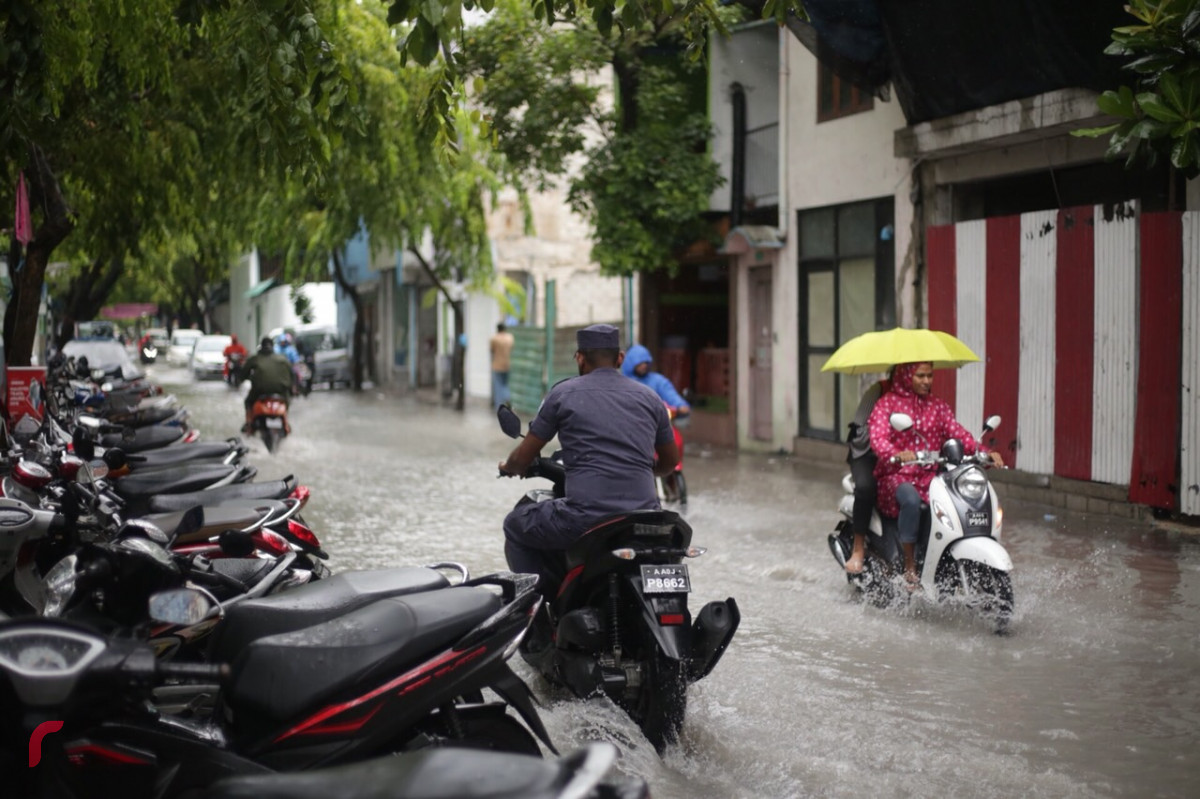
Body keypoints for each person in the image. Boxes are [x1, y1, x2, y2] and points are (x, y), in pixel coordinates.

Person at [498, 324, 680, 595]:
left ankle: (539, 609)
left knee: (514, 524)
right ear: (620, 358)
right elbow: (669, 463)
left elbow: (523, 455)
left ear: (580, 358)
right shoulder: (651, 399)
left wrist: (510, 467)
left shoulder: (562, 395)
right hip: (646, 519)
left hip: (585, 519)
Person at [867, 361, 1004, 589]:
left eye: (929, 376)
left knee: (954, 502)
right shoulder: (887, 404)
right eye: (920, 375)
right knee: (910, 501)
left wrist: (985, 453)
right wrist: (898, 454)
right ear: (906, 375)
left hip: (930, 476)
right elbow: (878, 439)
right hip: (896, 475)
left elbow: (959, 434)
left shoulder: (937, 407)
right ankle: (910, 567)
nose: (926, 381)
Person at [843, 373, 890, 575]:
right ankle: (858, 547)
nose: (924, 380)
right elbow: (858, 428)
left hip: (904, 458)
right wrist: (882, 439)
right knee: (866, 487)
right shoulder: (878, 391)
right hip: (866, 453)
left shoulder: (924, 399)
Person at [240, 337, 294, 433]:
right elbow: (292, 375)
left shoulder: (255, 358)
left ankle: (248, 425)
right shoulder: (282, 359)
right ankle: (286, 424)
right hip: (281, 392)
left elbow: (243, 374)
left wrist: (245, 378)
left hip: (260, 391)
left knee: (248, 402)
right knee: (287, 401)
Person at [620, 344, 690, 414]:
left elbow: (670, 395)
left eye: (646, 362)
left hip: (655, 421)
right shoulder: (622, 382)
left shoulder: (658, 381)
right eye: (640, 363)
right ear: (631, 363)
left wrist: (680, 406)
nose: (644, 366)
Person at [489, 322, 515, 408]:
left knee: (498, 386)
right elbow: (512, 349)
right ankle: (507, 398)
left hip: (497, 365)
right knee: (505, 384)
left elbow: (491, 350)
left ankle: (499, 406)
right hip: (507, 364)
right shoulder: (510, 338)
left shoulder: (494, 338)